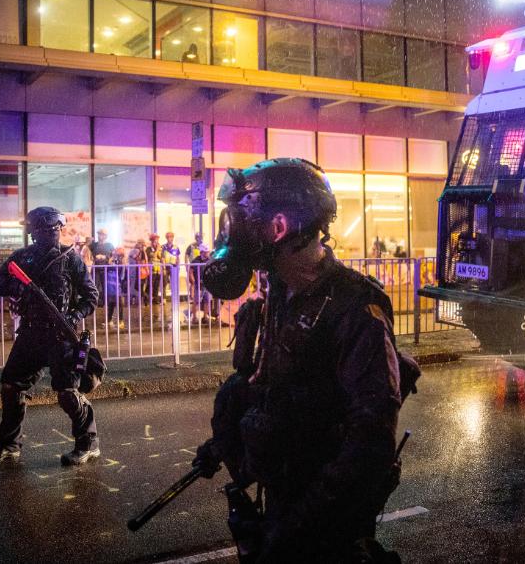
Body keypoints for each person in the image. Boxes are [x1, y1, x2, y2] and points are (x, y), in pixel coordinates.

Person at [192, 158, 418, 562]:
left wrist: (305, 524)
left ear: (279, 227)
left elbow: (371, 438)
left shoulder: (354, 305)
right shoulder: (282, 293)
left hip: (327, 519)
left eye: (245, 219)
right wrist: (226, 442)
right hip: (284, 493)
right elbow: (275, 388)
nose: (234, 231)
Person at [0, 206, 100, 467]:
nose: (50, 234)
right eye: (44, 230)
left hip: (62, 335)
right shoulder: (22, 258)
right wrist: (16, 286)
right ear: (34, 232)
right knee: (12, 384)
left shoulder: (71, 258)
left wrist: (73, 316)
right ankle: (10, 444)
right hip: (31, 332)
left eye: (54, 229)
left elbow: (91, 296)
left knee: (68, 392)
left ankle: (88, 443)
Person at [161, 231, 180, 303]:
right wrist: (164, 268)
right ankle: (164, 299)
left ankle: (174, 298)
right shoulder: (163, 247)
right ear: (166, 238)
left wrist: (178, 266)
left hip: (174, 267)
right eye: (168, 237)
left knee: (174, 283)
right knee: (164, 283)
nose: (170, 238)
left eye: (171, 237)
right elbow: (162, 257)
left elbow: (177, 257)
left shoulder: (176, 247)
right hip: (167, 267)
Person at [144, 233, 163, 304]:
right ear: (152, 242)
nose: (157, 243)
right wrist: (157, 250)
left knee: (156, 285)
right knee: (150, 285)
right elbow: (153, 256)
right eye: (155, 241)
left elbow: (161, 258)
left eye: (157, 241)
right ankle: (146, 299)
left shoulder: (160, 249)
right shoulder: (149, 249)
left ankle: (155, 299)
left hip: (158, 270)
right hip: (151, 270)